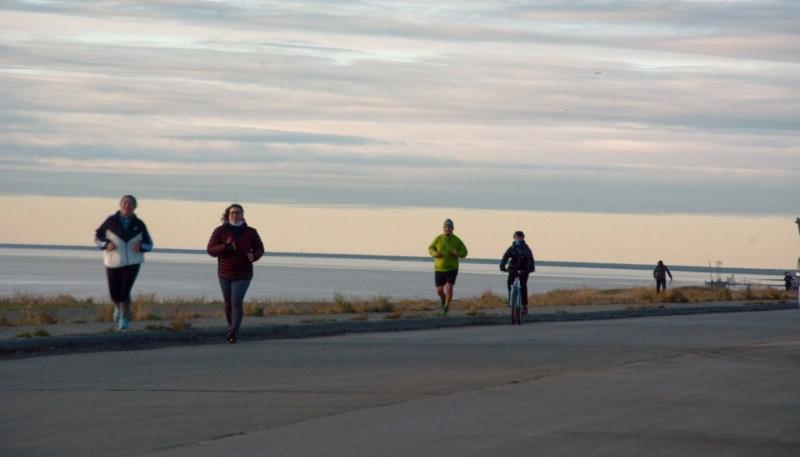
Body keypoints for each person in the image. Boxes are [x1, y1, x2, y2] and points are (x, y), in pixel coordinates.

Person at [207, 204, 264, 344]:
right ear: (228, 215)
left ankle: (233, 333)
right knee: (228, 303)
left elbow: (260, 248)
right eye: (232, 213)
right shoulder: (220, 231)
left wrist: (254, 256)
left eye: (237, 213)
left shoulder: (251, 232)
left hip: (243, 273)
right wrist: (225, 247)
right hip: (224, 272)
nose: (234, 215)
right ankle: (231, 327)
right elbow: (210, 250)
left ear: (243, 215)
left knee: (236, 302)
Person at [94, 195, 153, 330]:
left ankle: (124, 318)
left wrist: (142, 247)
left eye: (130, 204)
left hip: (133, 262)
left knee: (125, 291)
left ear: (134, 207)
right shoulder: (111, 221)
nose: (127, 206)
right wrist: (106, 244)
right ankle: (117, 308)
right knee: (114, 293)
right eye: (125, 203)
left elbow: (150, 244)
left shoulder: (139, 224)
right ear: (120, 205)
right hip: (113, 261)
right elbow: (97, 237)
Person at [428, 218, 468, 316]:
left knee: (449, 288)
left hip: (452, 268)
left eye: (449, 227)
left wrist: (457, 253)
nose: (447, 229)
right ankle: (443, 298)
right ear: (443, 228)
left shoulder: (457, 240)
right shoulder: (438, 238)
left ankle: (446, 307)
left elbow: (465, 252)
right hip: (439, 268)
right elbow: (430, 248)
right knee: (439, 291)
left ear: (452, 229)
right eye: (446, 227)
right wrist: (435, 254)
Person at [500, 231, 536, 315]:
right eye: (517, 237)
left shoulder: (526, 248)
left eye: (520, 237)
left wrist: (531, 268)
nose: (518, 239)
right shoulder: (511, 248)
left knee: (523, 286)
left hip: (524, 270)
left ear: (523, 238)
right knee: (509, 282)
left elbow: (531, 259)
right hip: (513, 269)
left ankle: (524, 306)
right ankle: (511, 300)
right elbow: (505, 257)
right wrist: (502, 266)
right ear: (514, 238)